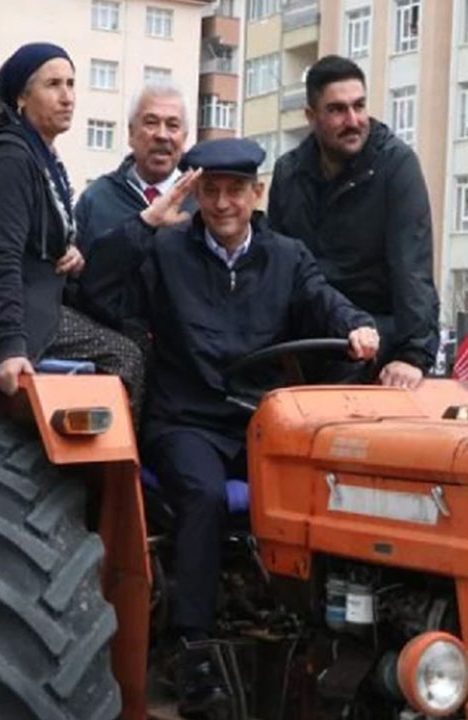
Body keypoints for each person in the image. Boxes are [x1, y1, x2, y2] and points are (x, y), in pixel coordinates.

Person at [104, 138, 379, 718]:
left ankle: (330, 635)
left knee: (331, 486)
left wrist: (358, 327)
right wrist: (142, 226)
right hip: (186, 420)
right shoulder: (166, 252)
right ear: (195, 194)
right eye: (211, 190)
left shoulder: (286, 257)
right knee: (203, 493)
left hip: (260, 423)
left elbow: (326, 301)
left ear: (257, 194)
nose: (224, 203)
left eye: (236, 190)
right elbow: (98, 290)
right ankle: (192, 648)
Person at [0, 42, 144, 410]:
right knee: (125, 356)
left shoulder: (38, 158)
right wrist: (12, 348)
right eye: (53, 85)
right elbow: (1, 261)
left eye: (71, 84)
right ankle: (113, 466)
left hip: (39, 308)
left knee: (140, 336)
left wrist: (70, 253)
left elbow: (39, 240)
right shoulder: (8, 162)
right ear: (21, 96)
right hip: (9, 325)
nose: (67, 97)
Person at [268, 55, 439, 390]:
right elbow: (276, 266)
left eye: (359, 106)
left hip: (377, 330)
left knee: (337, 400)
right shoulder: (289, 173)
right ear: (311, 116)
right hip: (309, 328)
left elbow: (412, 266)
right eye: (337, 110)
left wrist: (412, 355)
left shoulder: (396, 166)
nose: (353, 120)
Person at [73, 84, 196, 328]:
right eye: (151, 122)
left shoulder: (202, 202)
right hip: (114, 344)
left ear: (184, 137)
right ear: (130, 133)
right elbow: (78, 285)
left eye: (173, 125)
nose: (162, 135)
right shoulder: (97, 199)